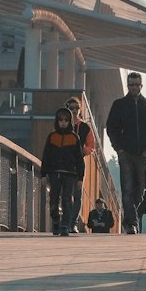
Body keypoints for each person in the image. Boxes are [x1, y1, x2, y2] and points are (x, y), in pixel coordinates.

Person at [105, 72, 146, 233]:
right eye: (131, 84)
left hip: (143, 154)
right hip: (125, 153)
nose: (134, 87)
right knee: (127, 187)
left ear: (141, 86)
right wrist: (118, 148)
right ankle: (131, 223)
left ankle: (131, 214)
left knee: (141, 189)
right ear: (128, 86)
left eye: (137, 84)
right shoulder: (119, 105)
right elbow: (112, 128)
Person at [40, 106, 85, 235]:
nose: (63, 122)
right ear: (57, 121)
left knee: (67, 199)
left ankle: (65, 225)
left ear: (69, 121)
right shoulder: (52, 137)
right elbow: (46, 156)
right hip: (54, 173)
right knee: (53, 198)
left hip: (70, 174)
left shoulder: (74, 138)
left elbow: (79, 160)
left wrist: (81, 177)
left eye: (66, 120)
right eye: (61, 120)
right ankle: (56, 221)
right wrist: (43, 174)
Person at [65, 95, 96, 232]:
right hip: (64, 163)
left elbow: (91, 146)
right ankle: (66, 221)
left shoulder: (84, 127)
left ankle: (73, 223)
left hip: (78, 163)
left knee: (77, 194)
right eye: (71, 108)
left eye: (76, 108)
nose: (74, 110)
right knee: (66, 194)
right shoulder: (62, 125)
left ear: (80, 109)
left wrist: (84, 151)